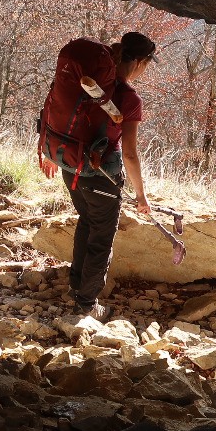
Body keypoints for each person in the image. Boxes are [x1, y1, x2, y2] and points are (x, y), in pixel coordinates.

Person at [64, 31, 156, 316]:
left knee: (86, 222)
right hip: (101, 176)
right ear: (139, 62)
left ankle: (76, 286)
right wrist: (141, 196)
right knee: (101, 238)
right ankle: (87, 305)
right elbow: (129, 154)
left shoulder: (90, 80)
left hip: (72, 166)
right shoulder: (129, 97)